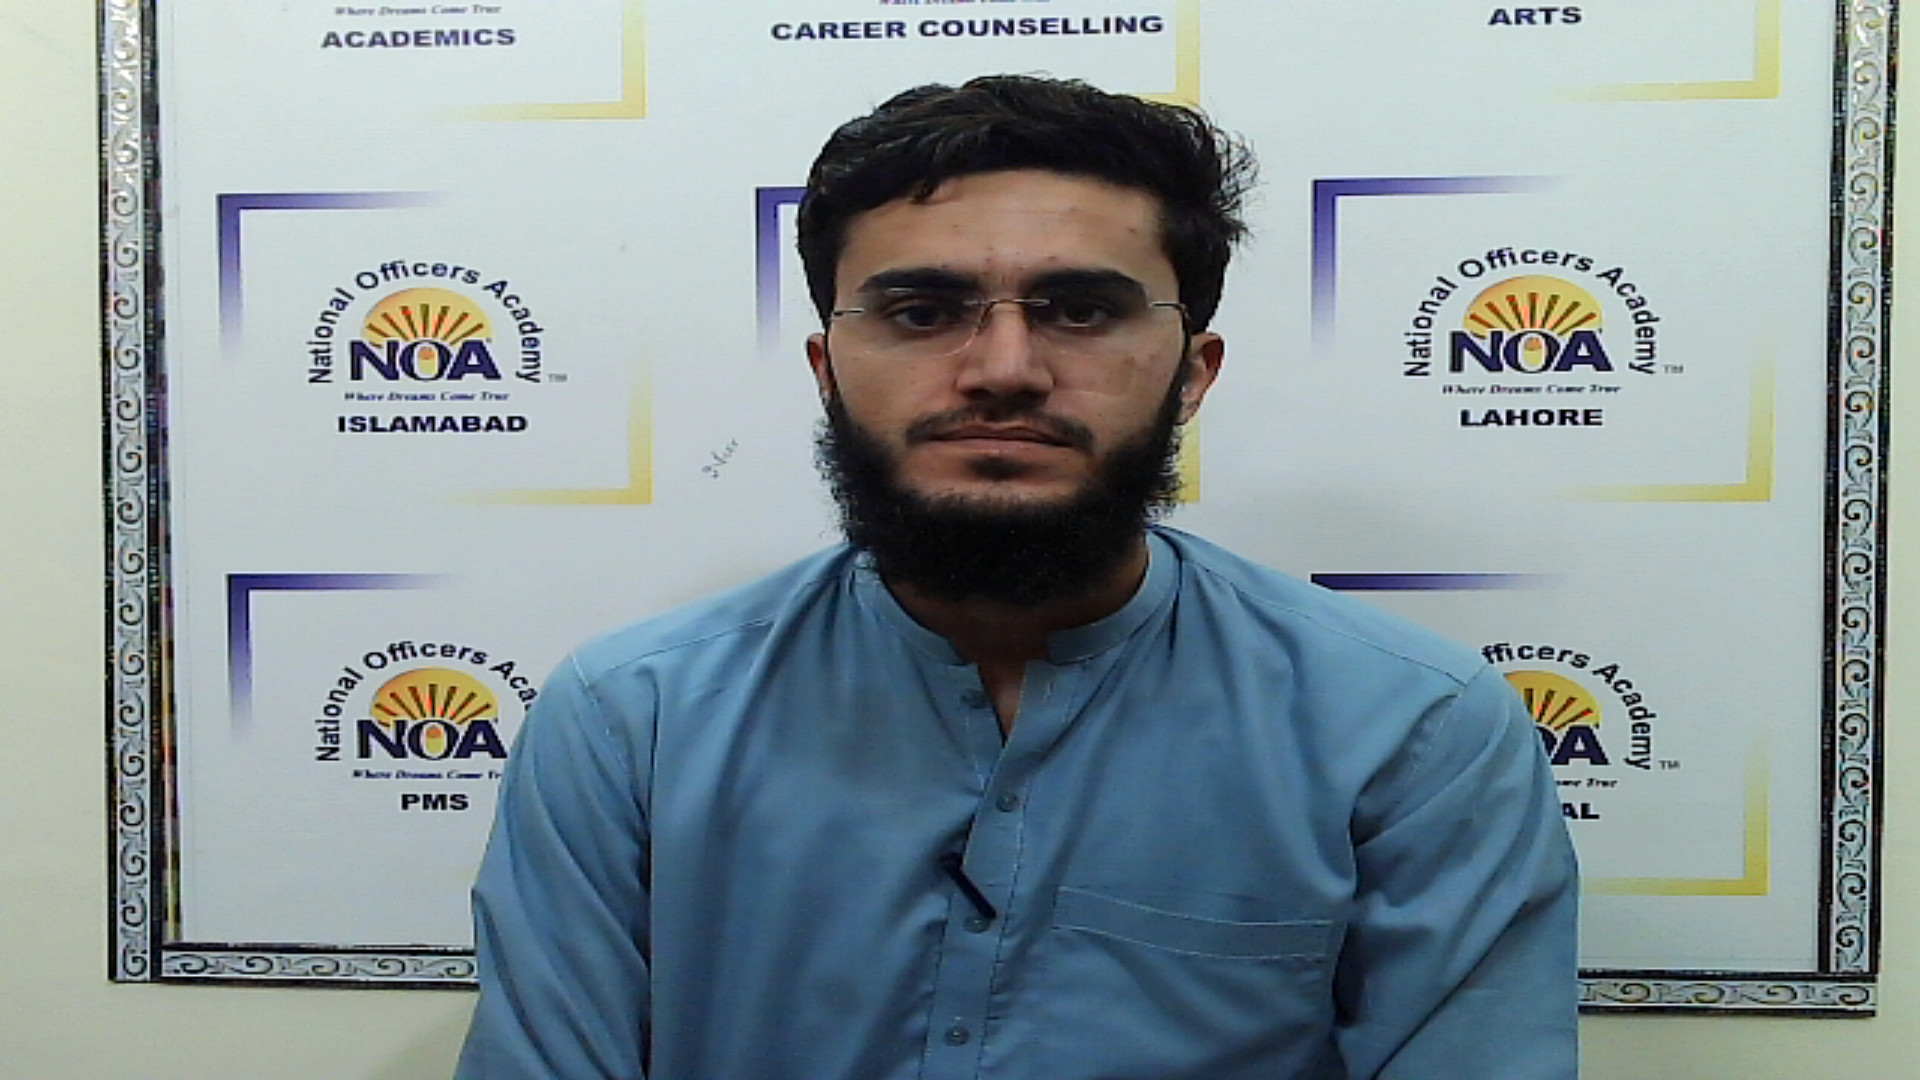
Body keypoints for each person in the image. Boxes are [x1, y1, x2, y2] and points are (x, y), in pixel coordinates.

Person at [456, 75, 1578, 1079]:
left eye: (1081, 310)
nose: (1003, 369)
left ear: (1192, 374)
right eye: (922, 312)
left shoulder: (1410, 730)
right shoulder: (633, 722)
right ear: (828, 369)